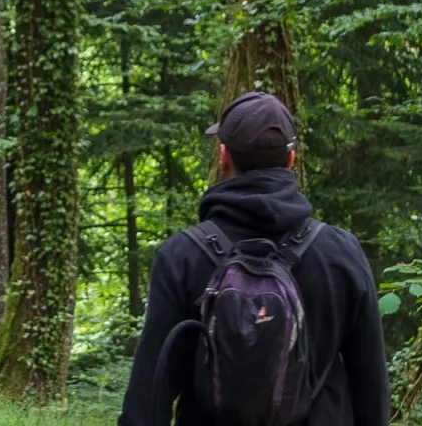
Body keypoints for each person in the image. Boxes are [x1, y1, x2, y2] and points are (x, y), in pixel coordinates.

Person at [118, 91, 390, 426]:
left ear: (223, 156)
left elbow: (148, 398)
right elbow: (372, 390)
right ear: (291, 161)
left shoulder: (181, 257)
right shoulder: (341, 253)